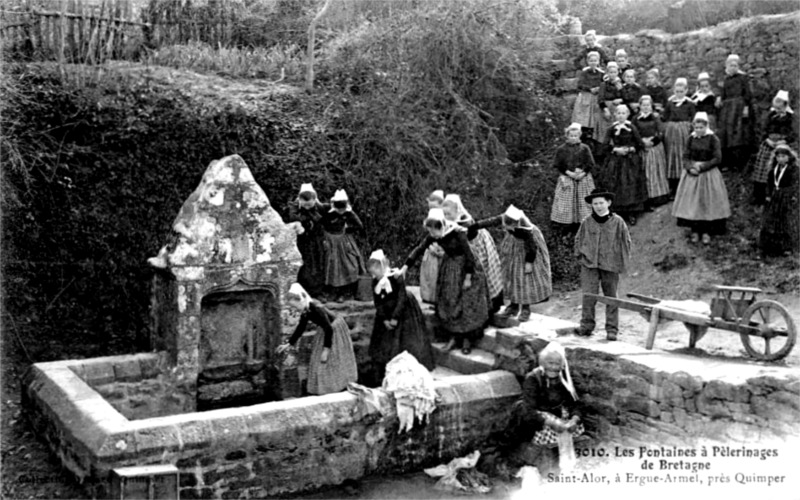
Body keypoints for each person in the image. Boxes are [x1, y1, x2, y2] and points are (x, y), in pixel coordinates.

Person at [401, 209, 489, 355]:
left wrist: (468, 278)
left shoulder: (458, 233)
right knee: (449, 300)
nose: (432, 235)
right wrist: (405, 267)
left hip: (467, 267)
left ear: (441, 226)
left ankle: (467, 340)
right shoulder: (434, 235)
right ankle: (453, 337)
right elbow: (419, 249)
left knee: (467, 302)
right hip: (449, 267)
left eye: (433, 231)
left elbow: (469, 255)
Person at [508, 341, 584, 473]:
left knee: (572, 431)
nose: (554, 367)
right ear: (542, 363)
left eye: (557, 364)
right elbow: (528, 410)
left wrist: (575, 420)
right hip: (539, 418)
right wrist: (552, 422)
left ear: (562, 364)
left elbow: (575, 403)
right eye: (550, 363)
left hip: (560, 414)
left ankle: (568, 467)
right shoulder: (533, 378)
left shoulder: (564, 377)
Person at [471, 205, 552, 322]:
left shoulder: (526, 229)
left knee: (525, 279)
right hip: (513, 246)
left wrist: (529, 262)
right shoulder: (507, 217)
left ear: (515, 224)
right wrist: (475, 225)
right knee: (511, 275)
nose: (504, 227)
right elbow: (491, 221)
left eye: (508, 226)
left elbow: (531, 247)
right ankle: (513, 306)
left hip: (526, 250)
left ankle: (525, 308)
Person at [367, 249, 435, 386]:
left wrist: (395, 317)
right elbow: (378, 302)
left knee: (404, 340)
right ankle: (382, 371)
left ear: (382, 266)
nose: (374, 274)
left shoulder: (396, 277)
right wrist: (385, 319)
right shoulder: (375, 282)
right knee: (383, 344)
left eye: (376, 270)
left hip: (403, 312)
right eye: (372, 272)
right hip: (385, 313)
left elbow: (401, 299)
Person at [277, 283, 358, 395]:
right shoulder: (306, 309)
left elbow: (329, 329)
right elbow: (301, 326)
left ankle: (336, 387)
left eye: (295, 306)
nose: (295, 309)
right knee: (318, 362)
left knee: (329, 360)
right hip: (325, 330)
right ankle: (325, 388)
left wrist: (326, 350)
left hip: (334, 330)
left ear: (301, 300)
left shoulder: (315, 308)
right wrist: (289, 343)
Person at [574, 189, 631, 341]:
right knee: (588, 295)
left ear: (608, 203)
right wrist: (582, 257)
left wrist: (619, 262)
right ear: (591, 205)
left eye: (601, 203)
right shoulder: (586, 222)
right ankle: (586, 326)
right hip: (589, 264)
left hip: (610, 264)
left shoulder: (618, 222)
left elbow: (626, 243)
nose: (598, 206)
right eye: (595, 204)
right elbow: (578, 241)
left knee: (611, 297)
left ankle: (612, 329)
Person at [672, 112, 731, 245]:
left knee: (706, 203)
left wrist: (702, 167)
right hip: (692, 174)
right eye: (696, 127)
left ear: (706, 126)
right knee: (693, 204)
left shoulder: (713, 139)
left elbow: (717, 158)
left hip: (708, 174)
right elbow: (685, 156)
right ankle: (695, 230)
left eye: (701, 127)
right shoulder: (690, 139)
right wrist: (690, 167)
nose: (698, 130)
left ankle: (706, 231)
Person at [443, 194, 504, 317]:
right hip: (466, 248)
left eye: (449, 213)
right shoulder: (451, 222)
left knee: (483, 273)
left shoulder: (465, 221)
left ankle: (488, 306)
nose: (446, 216)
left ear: (456, 210)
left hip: (477, 245)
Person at [602, 104, 647, 226]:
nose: (621, 116)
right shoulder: (611, 128)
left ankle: (632, 212)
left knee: (630, 183)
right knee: (616, 183)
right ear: (615, 115)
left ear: (627, 115)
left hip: (630, 159)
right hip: (616, 159)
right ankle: (617, 212)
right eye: (618, 113)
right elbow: (605, 145)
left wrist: (631, 149)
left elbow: (640, 144)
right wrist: (615, 150)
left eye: (623, 113)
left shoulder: (631, 127)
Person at [550, 122, 597, 232]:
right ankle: (567, 225)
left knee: (584, 201)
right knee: (566, 202)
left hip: (582, 178)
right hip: (567, 178)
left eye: (576, 136)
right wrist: (568, 173)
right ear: (567, 136)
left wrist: (583, 173)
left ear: (579, 136)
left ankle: (584, 223)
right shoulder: (561, 149)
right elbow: (558, 165)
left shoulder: (585, 148)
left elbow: (590, 164)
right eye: (571, 136)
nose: (573, 138)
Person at [751, 90, 796, 205]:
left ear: (785, 105)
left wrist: (784, 141)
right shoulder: (770, 115)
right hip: (769, 143)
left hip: (782, 144)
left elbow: (794, 133)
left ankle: (776, 196)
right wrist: (767, 139)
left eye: (780, 106)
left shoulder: (790, 117)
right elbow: (763, 129)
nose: (778, 109)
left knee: (777, 170)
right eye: (776, 106)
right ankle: (759, 197)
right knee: (761, 169)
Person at [321, 189, 366, 302]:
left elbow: (359, 225)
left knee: (349, 264)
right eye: (339, 209)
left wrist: (349, 230)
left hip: (342, 239)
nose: (341, 212)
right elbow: (319, 222)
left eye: (343, 209)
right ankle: (331, 293)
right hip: (329, 240)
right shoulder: (327, 211)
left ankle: (346, 292)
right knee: (331, 266)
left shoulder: (348, 213)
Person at [286, 183, 329, 297]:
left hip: (317, 239)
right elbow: (293, 217)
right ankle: (305, 290)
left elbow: (324, 218)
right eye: (305, 205)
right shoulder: (294, 207)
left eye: (310, 205)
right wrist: (308, 216)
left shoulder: (319, 207)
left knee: (319, 264)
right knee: (305, 265)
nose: (307, 207)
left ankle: (318, 291)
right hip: (303, 241)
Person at [759, 144, 799, 256]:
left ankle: (787, 247)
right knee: (770, 220)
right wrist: (767, 194)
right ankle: (769, 246)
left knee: (785, 221)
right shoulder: (773, 169)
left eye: (783, 156)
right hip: (774, 197)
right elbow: (769, 183)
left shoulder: (794, 169)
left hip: (787, 197)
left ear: (789, 157)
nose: (780, 159)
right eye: (778, 157)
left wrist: (794, 196)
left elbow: (796, 184)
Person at [716, 54, 753, 170]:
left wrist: (746, 107)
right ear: (727, 66)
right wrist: (719, 98)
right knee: (726, 134)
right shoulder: (726, 79)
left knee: (738, 133)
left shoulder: (743, 78)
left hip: (739, 107)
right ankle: (728, 163)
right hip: (727, 108)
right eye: (731, 65)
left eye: (735, 65)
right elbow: (723, 93)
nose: (733, 68)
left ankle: (739, 163)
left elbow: (747, 94)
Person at [633, 95, 671, 208]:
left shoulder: (655, 117)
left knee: (655, 171)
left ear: (651, 106)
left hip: (655, 147)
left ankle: (658, 197)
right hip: (642, 147)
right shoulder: (635, 118)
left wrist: (652, 142)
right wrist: (641, 142)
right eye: (643, 105)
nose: (645, 107)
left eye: (648, 105)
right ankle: (646, 198)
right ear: (639, 106)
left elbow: (661, 132)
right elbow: (633, 132)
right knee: (645, 172)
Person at [662, 77, 696, 196]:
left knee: (683, 154)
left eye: (681, 91)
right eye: (677, 91)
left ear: (686, 91)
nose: (679, 94)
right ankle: (673, 186)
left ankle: (686, 185)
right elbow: (665, 117)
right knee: (672, 156)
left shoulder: (689, 104)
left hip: (684, 131)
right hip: (671, 131)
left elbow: (694, 118)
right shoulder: (670, 103)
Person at [572, 51, 605, 143]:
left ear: (598, 61)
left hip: (596, 97)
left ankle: (594, 138)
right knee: (584, 119)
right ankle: (582, 137)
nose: (593, 62)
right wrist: (590, 89)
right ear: (588, 61)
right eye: (591, 61)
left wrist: (599, 88)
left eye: (595, 60)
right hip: (586, 97)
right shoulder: (585, 72)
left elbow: (604, 84)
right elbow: (580, 85)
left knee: (595, 119)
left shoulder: (602, 73)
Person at [420, 190, 445, 304]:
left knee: (439, 277)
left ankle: (438, 299)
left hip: (442, 253)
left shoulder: (445, 219)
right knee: (429, 276)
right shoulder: (430, 221)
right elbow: (428, 238)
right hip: (431, 252)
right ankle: (429, 298)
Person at [597, 61, 624, 144]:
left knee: (617, 129)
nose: (612, 74)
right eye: (610, 72)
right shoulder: (604, 84)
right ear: (607, 73)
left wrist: (621, 99)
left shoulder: (620, 84)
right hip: (606, 108)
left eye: (614, 72)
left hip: (617, 109)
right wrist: (605, 109)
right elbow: (600, 99)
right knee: (605, 131)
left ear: (618, 73)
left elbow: (625, 96)